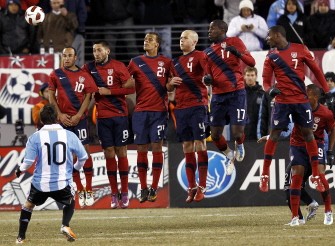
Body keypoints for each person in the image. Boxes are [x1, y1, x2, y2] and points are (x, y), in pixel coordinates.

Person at [259, 25, 332, 193]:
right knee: (275, 134)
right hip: (282, 102)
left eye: (269, 36)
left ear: (277, 35)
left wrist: (326, 92)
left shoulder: (301, 50)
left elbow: (317, 71)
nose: (267, 39)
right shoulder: (270, 56)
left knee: (308, 134)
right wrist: (270, 90)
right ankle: (264, 175)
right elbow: (265, 81)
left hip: (300, 101)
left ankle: (315, 175)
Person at [15, 104, 88, 243]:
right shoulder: (69, 135)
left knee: (28, 206)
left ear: (41, 120)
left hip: (40, 184)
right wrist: (76, 167)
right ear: (57, 118)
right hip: (62, 183)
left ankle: (20, 237)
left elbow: (28, 162)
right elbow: (83, 156)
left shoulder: (35, 137)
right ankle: (65, 225)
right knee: (71, 199)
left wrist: (19, 169)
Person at [83, 40, 135, 209]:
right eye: (93, 51)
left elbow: (131, 89)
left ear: (107, 51)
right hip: (102, 117)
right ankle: (114, 194)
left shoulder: (119, 66)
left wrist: (110, 91)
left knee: (122, 151)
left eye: (99, 50)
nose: (96, 54)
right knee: (108, 153)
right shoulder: (88, 68)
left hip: (120, 115)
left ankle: (125, 192)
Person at [48, 46, 97, 207]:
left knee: (84, 153)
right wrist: (60, 115)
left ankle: (89, 189)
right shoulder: (55, 74)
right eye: (64, 56)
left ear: (76, 58)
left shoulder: (84, 75)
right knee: (68, 156)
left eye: (69, 55)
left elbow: (88, 97)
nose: (66, 58)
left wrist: (78, 115)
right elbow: (51, 96)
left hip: (80, 120)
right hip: (63, 120)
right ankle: (80, 189)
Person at [204, 19, 256, 171]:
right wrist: (207, 80)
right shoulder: (207, 52)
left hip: (236, 93)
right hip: (218, 96)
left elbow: (251, 62)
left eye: (212, 29)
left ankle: (239, 145)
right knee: (214, 135)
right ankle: (228, 153)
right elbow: (207, 76)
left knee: (236, 133)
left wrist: (237, 53)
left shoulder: (235, 41)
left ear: (222, 30)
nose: (209, 31)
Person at [128, 32, 173, 203]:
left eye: (150, 40)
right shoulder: (135, 62)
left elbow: (170, 85)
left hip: (159, 112)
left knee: (156, 147)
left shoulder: (167, 62)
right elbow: (125, 80)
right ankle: (143, 187)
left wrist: (170, 85)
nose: (146, 41)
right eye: (145, 39)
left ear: (157, 45)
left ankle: (154, 187)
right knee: (141, 149)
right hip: (140, 112)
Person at [167, 30, 209, 202]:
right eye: (180, 38)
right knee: (187, 145)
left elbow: (208, 76)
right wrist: (170, 83)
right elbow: (168, 89)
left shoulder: (200, 56)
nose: (181, 40)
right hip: (181, 107)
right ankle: (191, 187)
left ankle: (203, 186)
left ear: (194, 41)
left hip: (198, 105)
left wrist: (207, 82)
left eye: (185, 38)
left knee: (200, 142)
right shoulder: (174, 62)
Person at [243, 66, 264, 140]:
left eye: (252, 75)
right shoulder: (240, 94)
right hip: (242, 132)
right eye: (248, 75)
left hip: (258, 132)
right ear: (244, 76)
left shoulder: (262, 94)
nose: (250, 78)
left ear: (256, 77)